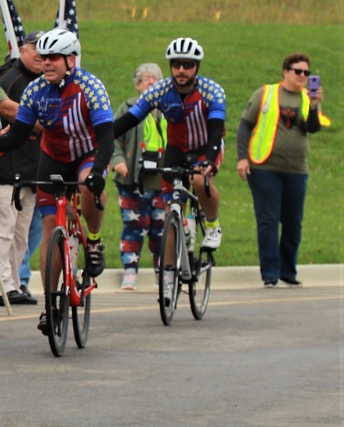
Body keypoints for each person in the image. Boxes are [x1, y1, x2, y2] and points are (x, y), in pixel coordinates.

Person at [0, 29, 114, 334]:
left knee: (87, 184)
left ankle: (94, 241)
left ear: (71, 60)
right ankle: (49, 305)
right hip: (54, 157)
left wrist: (98, 172)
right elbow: (17, 136)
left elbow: (108, 137)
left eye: (54, 58)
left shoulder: (90, 87)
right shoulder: (35, 91)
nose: (47, 63)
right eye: (44, 57)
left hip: (88, 154)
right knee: (49, 229)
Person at [113, 37, 226, 252]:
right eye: (176, 64)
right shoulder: (160, 90)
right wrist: (103, 136)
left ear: (197, 67)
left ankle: (213, 225)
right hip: (176, 149)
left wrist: (210, 158)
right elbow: (130, 119)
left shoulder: (212, 91)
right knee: (170, 211)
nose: (181, 70)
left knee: (199, 180)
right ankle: (170, 275)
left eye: (188, 65)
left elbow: (215, 127)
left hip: (206, 146)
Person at [236, 53, 324, 288]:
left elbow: (313, 128)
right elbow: (245, 125)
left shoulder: (307, 97)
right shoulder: (266, 94)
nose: (303, 76)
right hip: (265, 167)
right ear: (285, 71)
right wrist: (242, 159)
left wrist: (315, 107)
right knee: (269, 220)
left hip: (296, 169)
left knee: (293, 222)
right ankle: (270, 273)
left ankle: (288, 270)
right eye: (298, 71)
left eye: (306, 73)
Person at [0, 29, 44, 307]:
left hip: (32, 168)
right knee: (2, 231)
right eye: (35, 49)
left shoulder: (45, 82)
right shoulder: (7, 79)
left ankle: (14, 283)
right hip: (5, 166)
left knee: (21, 234)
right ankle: (0, 287)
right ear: (22, 49)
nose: (41, 56)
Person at [112, 63, 167, 291]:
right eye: (146, 78)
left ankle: (162, 273)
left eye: (156, 78)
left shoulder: (170, 108)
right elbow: (112, 137)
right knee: (133, 227)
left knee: (161, 230)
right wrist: (118, 161)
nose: (151, 82)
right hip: (132, 180)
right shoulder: (127, 109)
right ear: (137, 84)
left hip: (163, 182)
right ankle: (130, 272)